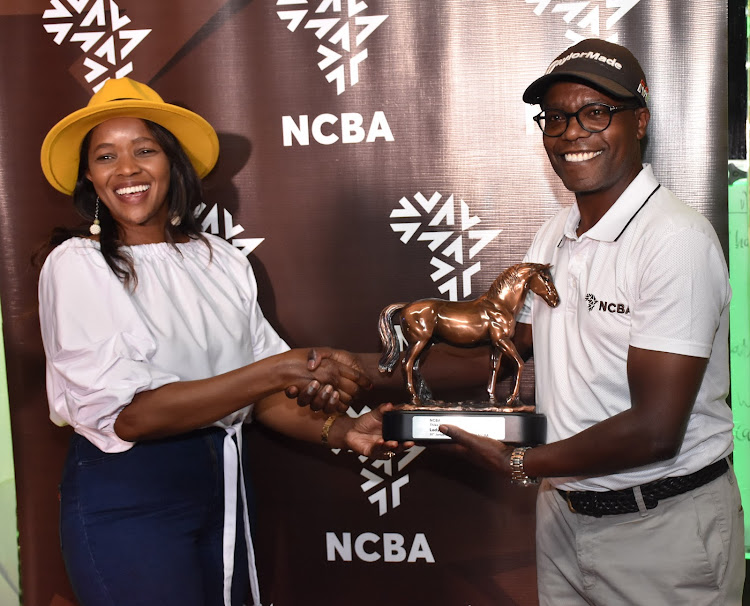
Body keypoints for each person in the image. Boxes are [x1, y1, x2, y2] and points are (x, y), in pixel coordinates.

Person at [37, 77, 407, 606]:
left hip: (227, 488)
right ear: (89, 177)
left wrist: (344, 430)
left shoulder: (221, 258)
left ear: (173, 162)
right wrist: (282, 369)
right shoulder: (76, 265)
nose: (126, 170)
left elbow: (262, 394)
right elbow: (131, 416)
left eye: (144, 150)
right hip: (130, 497)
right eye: (105, 156)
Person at [420, 39, 745, 604]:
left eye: (595, 112)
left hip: (661, 530)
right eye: (556, 117)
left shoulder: (674, 241)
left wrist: (522, 463)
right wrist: (374, 372)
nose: (571, 132)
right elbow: (508, 346)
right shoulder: (556, 232)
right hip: (563, 516)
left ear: (639, 122)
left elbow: (656, 429)